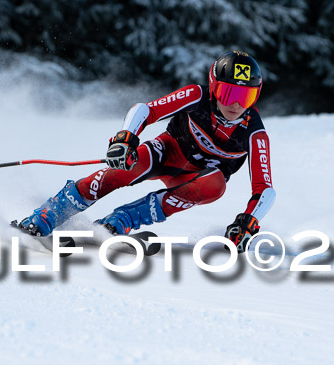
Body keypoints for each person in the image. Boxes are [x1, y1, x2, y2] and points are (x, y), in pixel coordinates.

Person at [17, 50, 276, 252]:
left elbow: (264, 188)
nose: (235, 104)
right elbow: (146, 109)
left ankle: (122, 220)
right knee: (128, 166)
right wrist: (126, 137)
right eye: (228, 92)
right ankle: (50, 213)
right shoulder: (197, 96)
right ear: (214, 86)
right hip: (167, 151)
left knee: (216, 186)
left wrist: (247, 223)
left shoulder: (254, 131)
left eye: (245, 97)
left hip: (192, 181)